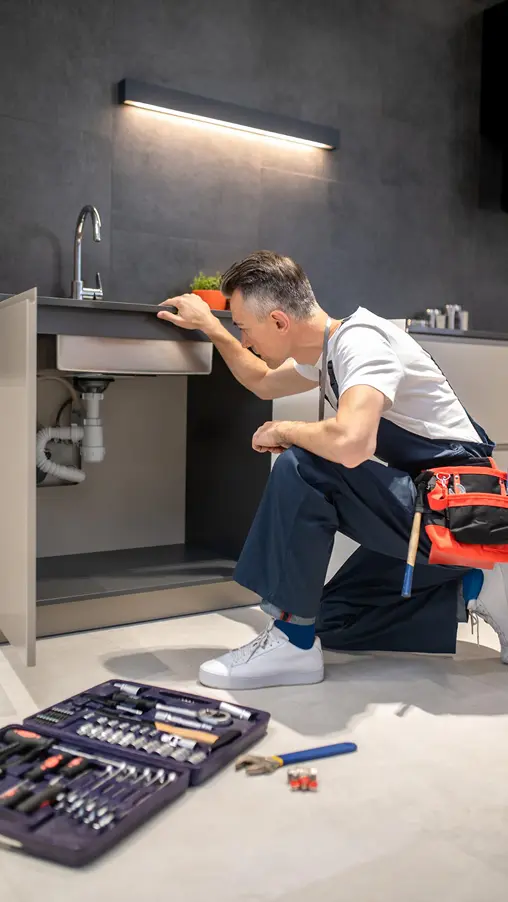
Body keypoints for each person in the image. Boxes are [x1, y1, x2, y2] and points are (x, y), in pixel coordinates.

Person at [157, 250, 508, 690]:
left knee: (304, 467)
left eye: (245, 328)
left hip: (460, 510)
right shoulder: (326, 355)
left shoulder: (361, 343)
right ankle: (476, 584)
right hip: (429, 509)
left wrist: (287, 429)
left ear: (280, 322)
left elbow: (353, 443)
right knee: (332, 619)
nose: (244, 340)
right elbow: (262, 380)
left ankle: (291, 642)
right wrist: (211, 326)